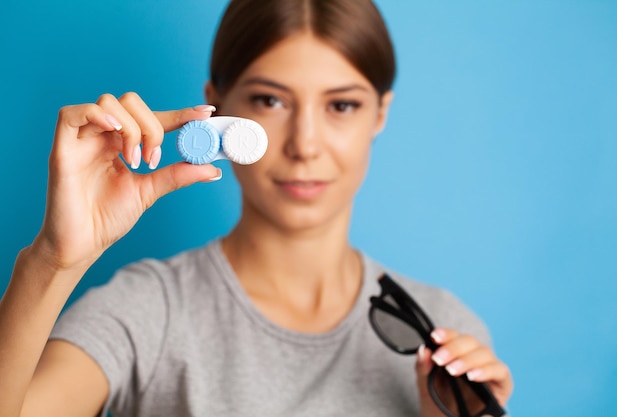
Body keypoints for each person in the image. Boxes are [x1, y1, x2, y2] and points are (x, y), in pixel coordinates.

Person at [0, 0, 513, 416]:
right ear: (216, 107)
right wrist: (53, 258)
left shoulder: (445, 335)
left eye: (341, 106)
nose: (305, 145)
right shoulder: (147, 311)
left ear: (380, 113)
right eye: (271, 101)